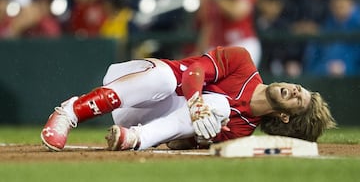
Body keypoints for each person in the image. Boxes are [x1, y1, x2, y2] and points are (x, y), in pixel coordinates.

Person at [40, 46, 336, 152]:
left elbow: (176, 143)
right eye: (300, 88)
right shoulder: (243, 62)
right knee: (169, 80)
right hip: (138, 82)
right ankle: (70, 112)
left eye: (299, 100)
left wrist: (198, 137)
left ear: (285, 117)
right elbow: (193, 72)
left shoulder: (241, 132)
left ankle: (134, 140)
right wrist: (196, 106)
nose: (296, 90)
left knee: (218, 108)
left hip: (139, 123)